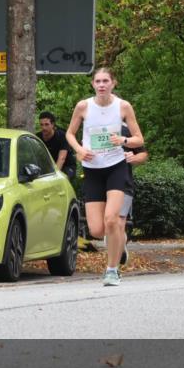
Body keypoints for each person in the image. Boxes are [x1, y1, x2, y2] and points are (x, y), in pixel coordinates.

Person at [65, 67, 144, 287]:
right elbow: (70, 134)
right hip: (92, 169)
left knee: (112, 219)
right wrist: (79, 150)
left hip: (116, 167)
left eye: (105, 81)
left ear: (113, 83)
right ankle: (118, 239)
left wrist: (124, 141)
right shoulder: (83, 106)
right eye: (98, 81)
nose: (101, 85)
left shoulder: (123, 106)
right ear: (93, 84)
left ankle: (112, 270)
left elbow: (138, 138)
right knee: (97, 230)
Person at [115, 122, 148, 269]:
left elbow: (143, 154)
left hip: (124, 183)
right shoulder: (93, 127)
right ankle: (119, 248)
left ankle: (112, 267)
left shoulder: (125, 129)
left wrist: (132, 157)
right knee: (107, 225)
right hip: (100, 184)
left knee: (119, 223)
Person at [38, 111, 77, 180]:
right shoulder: (38, 137)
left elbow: (62, 158)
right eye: (41, 125)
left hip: (66, 166)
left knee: (62, 180)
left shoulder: (61, 136)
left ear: (52, 124)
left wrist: (55, 177)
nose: (44, 127)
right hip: (50, 167)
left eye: (46, 124)